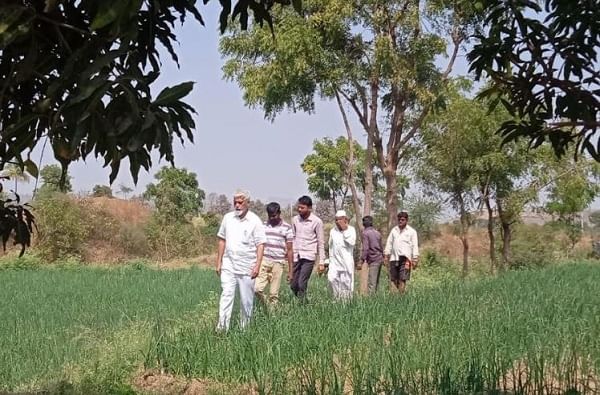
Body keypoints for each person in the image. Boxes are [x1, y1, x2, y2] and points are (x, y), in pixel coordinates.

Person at [215, 190, 266, 331]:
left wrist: (257, 266)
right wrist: (219, 262)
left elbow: (261, 245)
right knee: (226, 295)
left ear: (247, 203)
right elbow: (222, 240)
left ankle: (245, 329)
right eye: (235, 202)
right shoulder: (228, 218)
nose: (237, 205)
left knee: (246, 299)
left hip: (247, 266)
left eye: (240, 202)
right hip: (229, 264)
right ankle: (222, 328)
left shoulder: (255, 221)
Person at [254, 202, 294, 307]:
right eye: (270, 216)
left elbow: (290, 250)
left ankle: (273, 317)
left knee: (273, 294)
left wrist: (291, 271)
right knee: (257, 289)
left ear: (279, 213)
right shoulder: (263, 226)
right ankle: (267, 307)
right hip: (264, 260)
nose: (272, 218)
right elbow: (258, 245)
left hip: (278, 263)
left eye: (274, 215)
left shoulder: (287, 228)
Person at [290, 195, 325, 300]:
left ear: (309, 208)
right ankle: (303, 301)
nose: (299, 209)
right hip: (297, 255)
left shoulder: (317, 221)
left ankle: (303, 307)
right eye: (299, 207)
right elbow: (293, 237)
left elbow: (321, 242)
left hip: (309, 256)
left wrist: (322, 261)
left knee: (302, 283)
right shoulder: (295, 220)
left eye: (302, 208)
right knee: (293, 285)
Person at [324, 210, 356, 300]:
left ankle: (345, 304)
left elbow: (352, 242)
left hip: (346, 263)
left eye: (340, 220)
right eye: (336, 220)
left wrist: (344, 230)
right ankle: (336, 299)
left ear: (345, 220)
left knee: (346, 284)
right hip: (334, 262)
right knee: (331, 279)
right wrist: (329, 260)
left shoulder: (351, 230)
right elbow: (330, 246)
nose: (338, 222)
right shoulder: (333, 231)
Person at [384, 211, 419, 294]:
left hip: (405, 259)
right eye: (399, 219)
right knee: (393, 279)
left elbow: (415, 245)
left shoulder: (412, 232)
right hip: (394, 258)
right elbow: (389, 243)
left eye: (402, 220)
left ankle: (401, 298)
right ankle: (394, 298)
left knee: (402, 279)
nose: (400, 221)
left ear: (407, 220)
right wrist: (386, 255)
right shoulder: (394, 230)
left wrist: (415, 258)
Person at [358, 215, 384, 294]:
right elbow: (381, 247)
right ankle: (376, 301)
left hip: (373, 259)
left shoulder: (365, 233)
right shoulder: (377, 233)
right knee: (376, 282)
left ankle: (371, 303)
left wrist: (361, 260)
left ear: (364, 224)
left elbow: (366, 248)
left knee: (372, 283)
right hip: (379, 258)